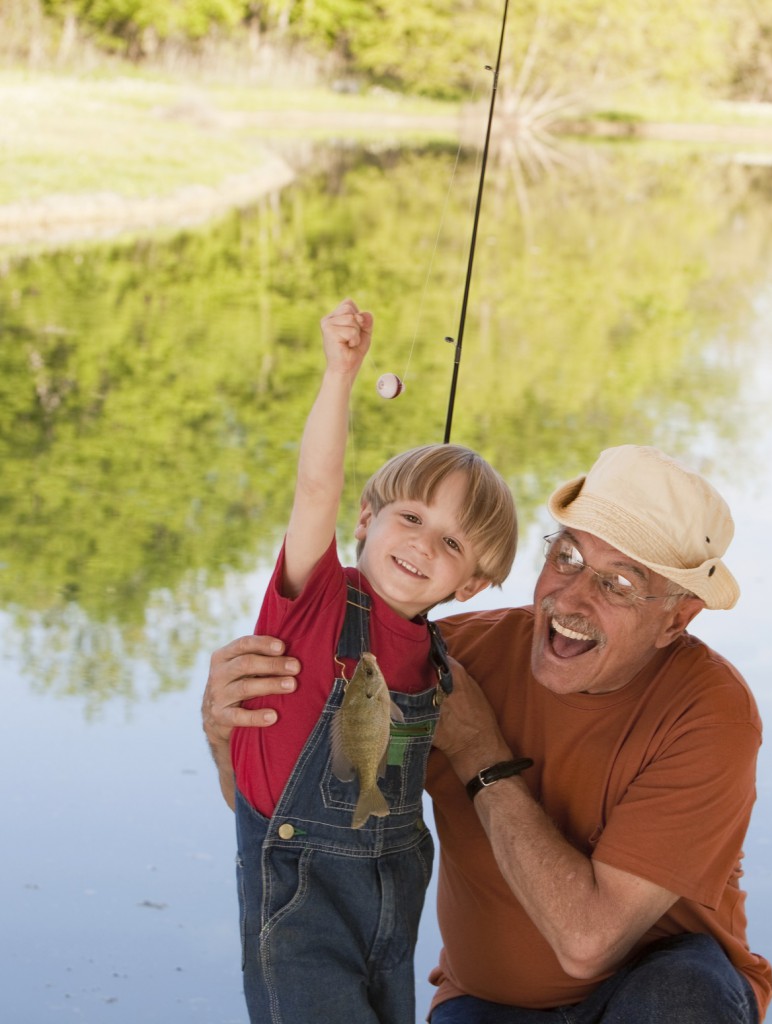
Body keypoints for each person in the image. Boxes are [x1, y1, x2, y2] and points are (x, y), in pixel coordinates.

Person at [203, 444, 772, 1023]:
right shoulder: (447, 659)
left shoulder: (710, 714)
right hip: (486, 1005)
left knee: (678, 1000)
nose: (571, 598)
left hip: (658, 995)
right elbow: (304, 820)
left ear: (677, 618)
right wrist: (229, 733)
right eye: (569, 556)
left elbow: (588, 942)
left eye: (619, 584)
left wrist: (480, 752)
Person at [226, 297, 518, 1024]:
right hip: (299, 896)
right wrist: (340, 374)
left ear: (472, 585)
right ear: (365, 520)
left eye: (452, 544)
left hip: (392, 891)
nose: (422, 544)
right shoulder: (316, 598)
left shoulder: (439, 661)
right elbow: (314, 486)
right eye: (410, 518)